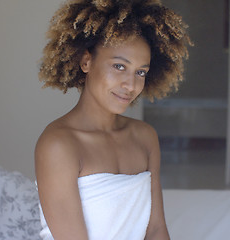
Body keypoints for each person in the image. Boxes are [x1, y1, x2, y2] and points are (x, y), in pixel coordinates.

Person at [35, 0, 191, 239]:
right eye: (119, 66)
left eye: (140, 72)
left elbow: (156, 228)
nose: (130, 85)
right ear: (86, 61)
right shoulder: (58, 144)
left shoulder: (145, 136)